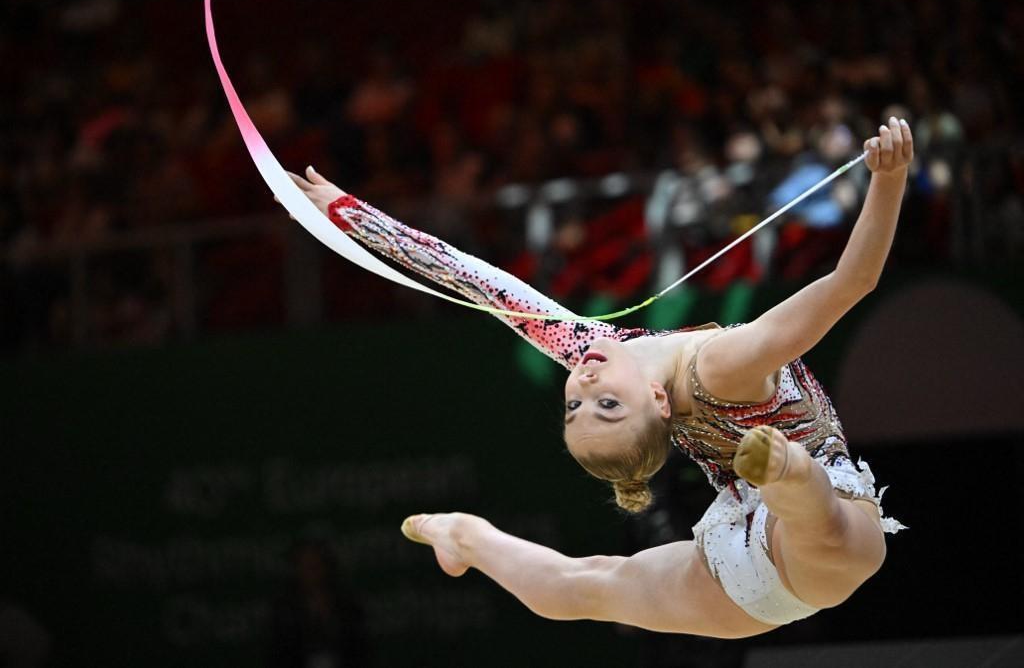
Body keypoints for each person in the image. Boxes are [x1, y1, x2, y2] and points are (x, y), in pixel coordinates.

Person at [285, 117, 912, 638]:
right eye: (606, 406)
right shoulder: (724, 369)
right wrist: (890, 179)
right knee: (828, 530)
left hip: (743, 580)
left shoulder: (588, 348)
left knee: (582, 586)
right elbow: (850, 282)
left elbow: (470, 277)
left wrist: (346, 213)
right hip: (804, 542)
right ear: (658, 402)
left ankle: (466, 538)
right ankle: (783, 470)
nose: (582, 388)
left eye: (574, 410)